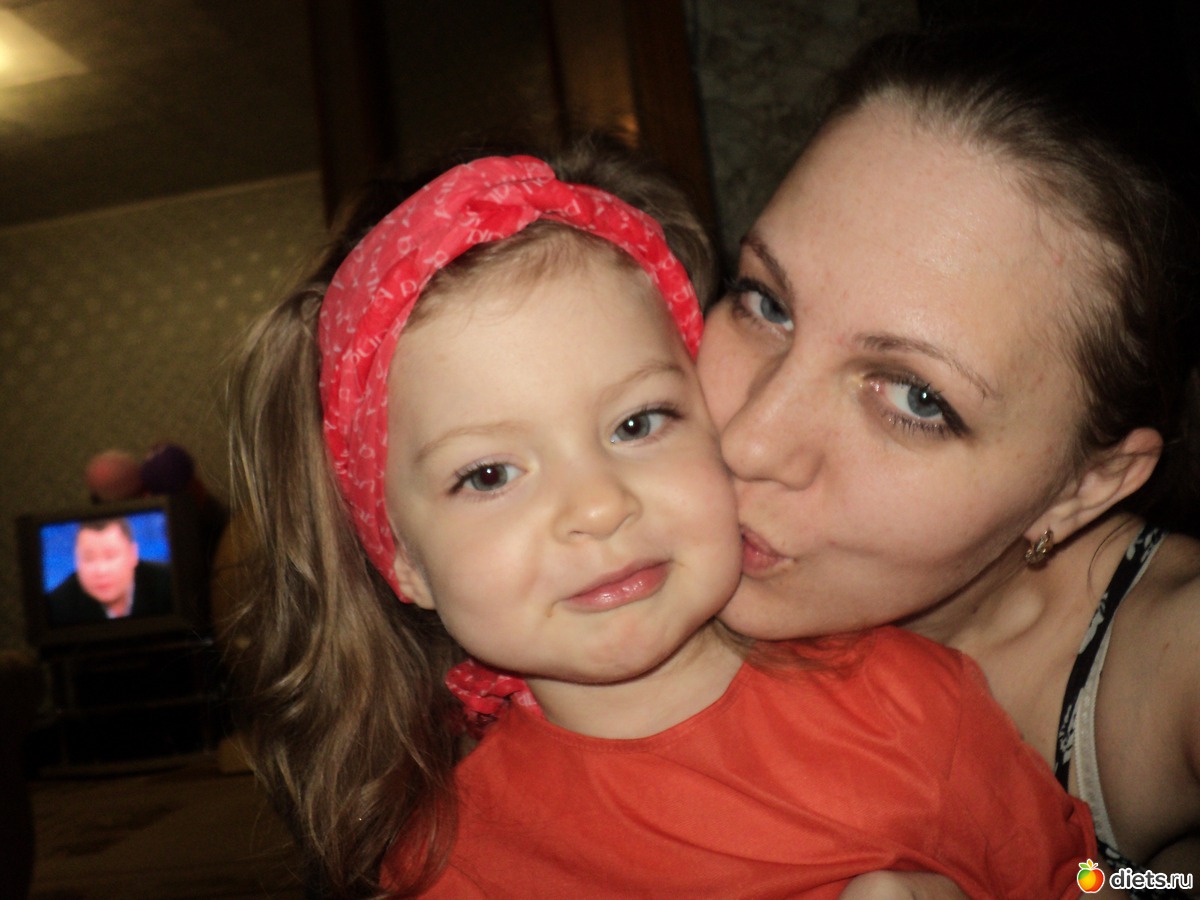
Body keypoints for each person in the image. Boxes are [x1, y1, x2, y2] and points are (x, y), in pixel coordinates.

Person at [228, 141, 1094, 898]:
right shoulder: (442, 866)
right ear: (401, 557)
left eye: (638, 424)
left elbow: (1103, 878)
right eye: (489, 475)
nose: (600, 506)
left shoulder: (913, 706)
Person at [695, 26, 1200, 890]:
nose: (747, 441)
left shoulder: (1172, 663)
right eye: (766, 302)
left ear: (1085, 487)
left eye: (917, 398)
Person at [46, 518, 173, 624]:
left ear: (133, 554)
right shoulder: (57, 607)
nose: (101, 570)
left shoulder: (170, 583)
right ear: (76, 560)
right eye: (89, 558)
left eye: (110, 556)